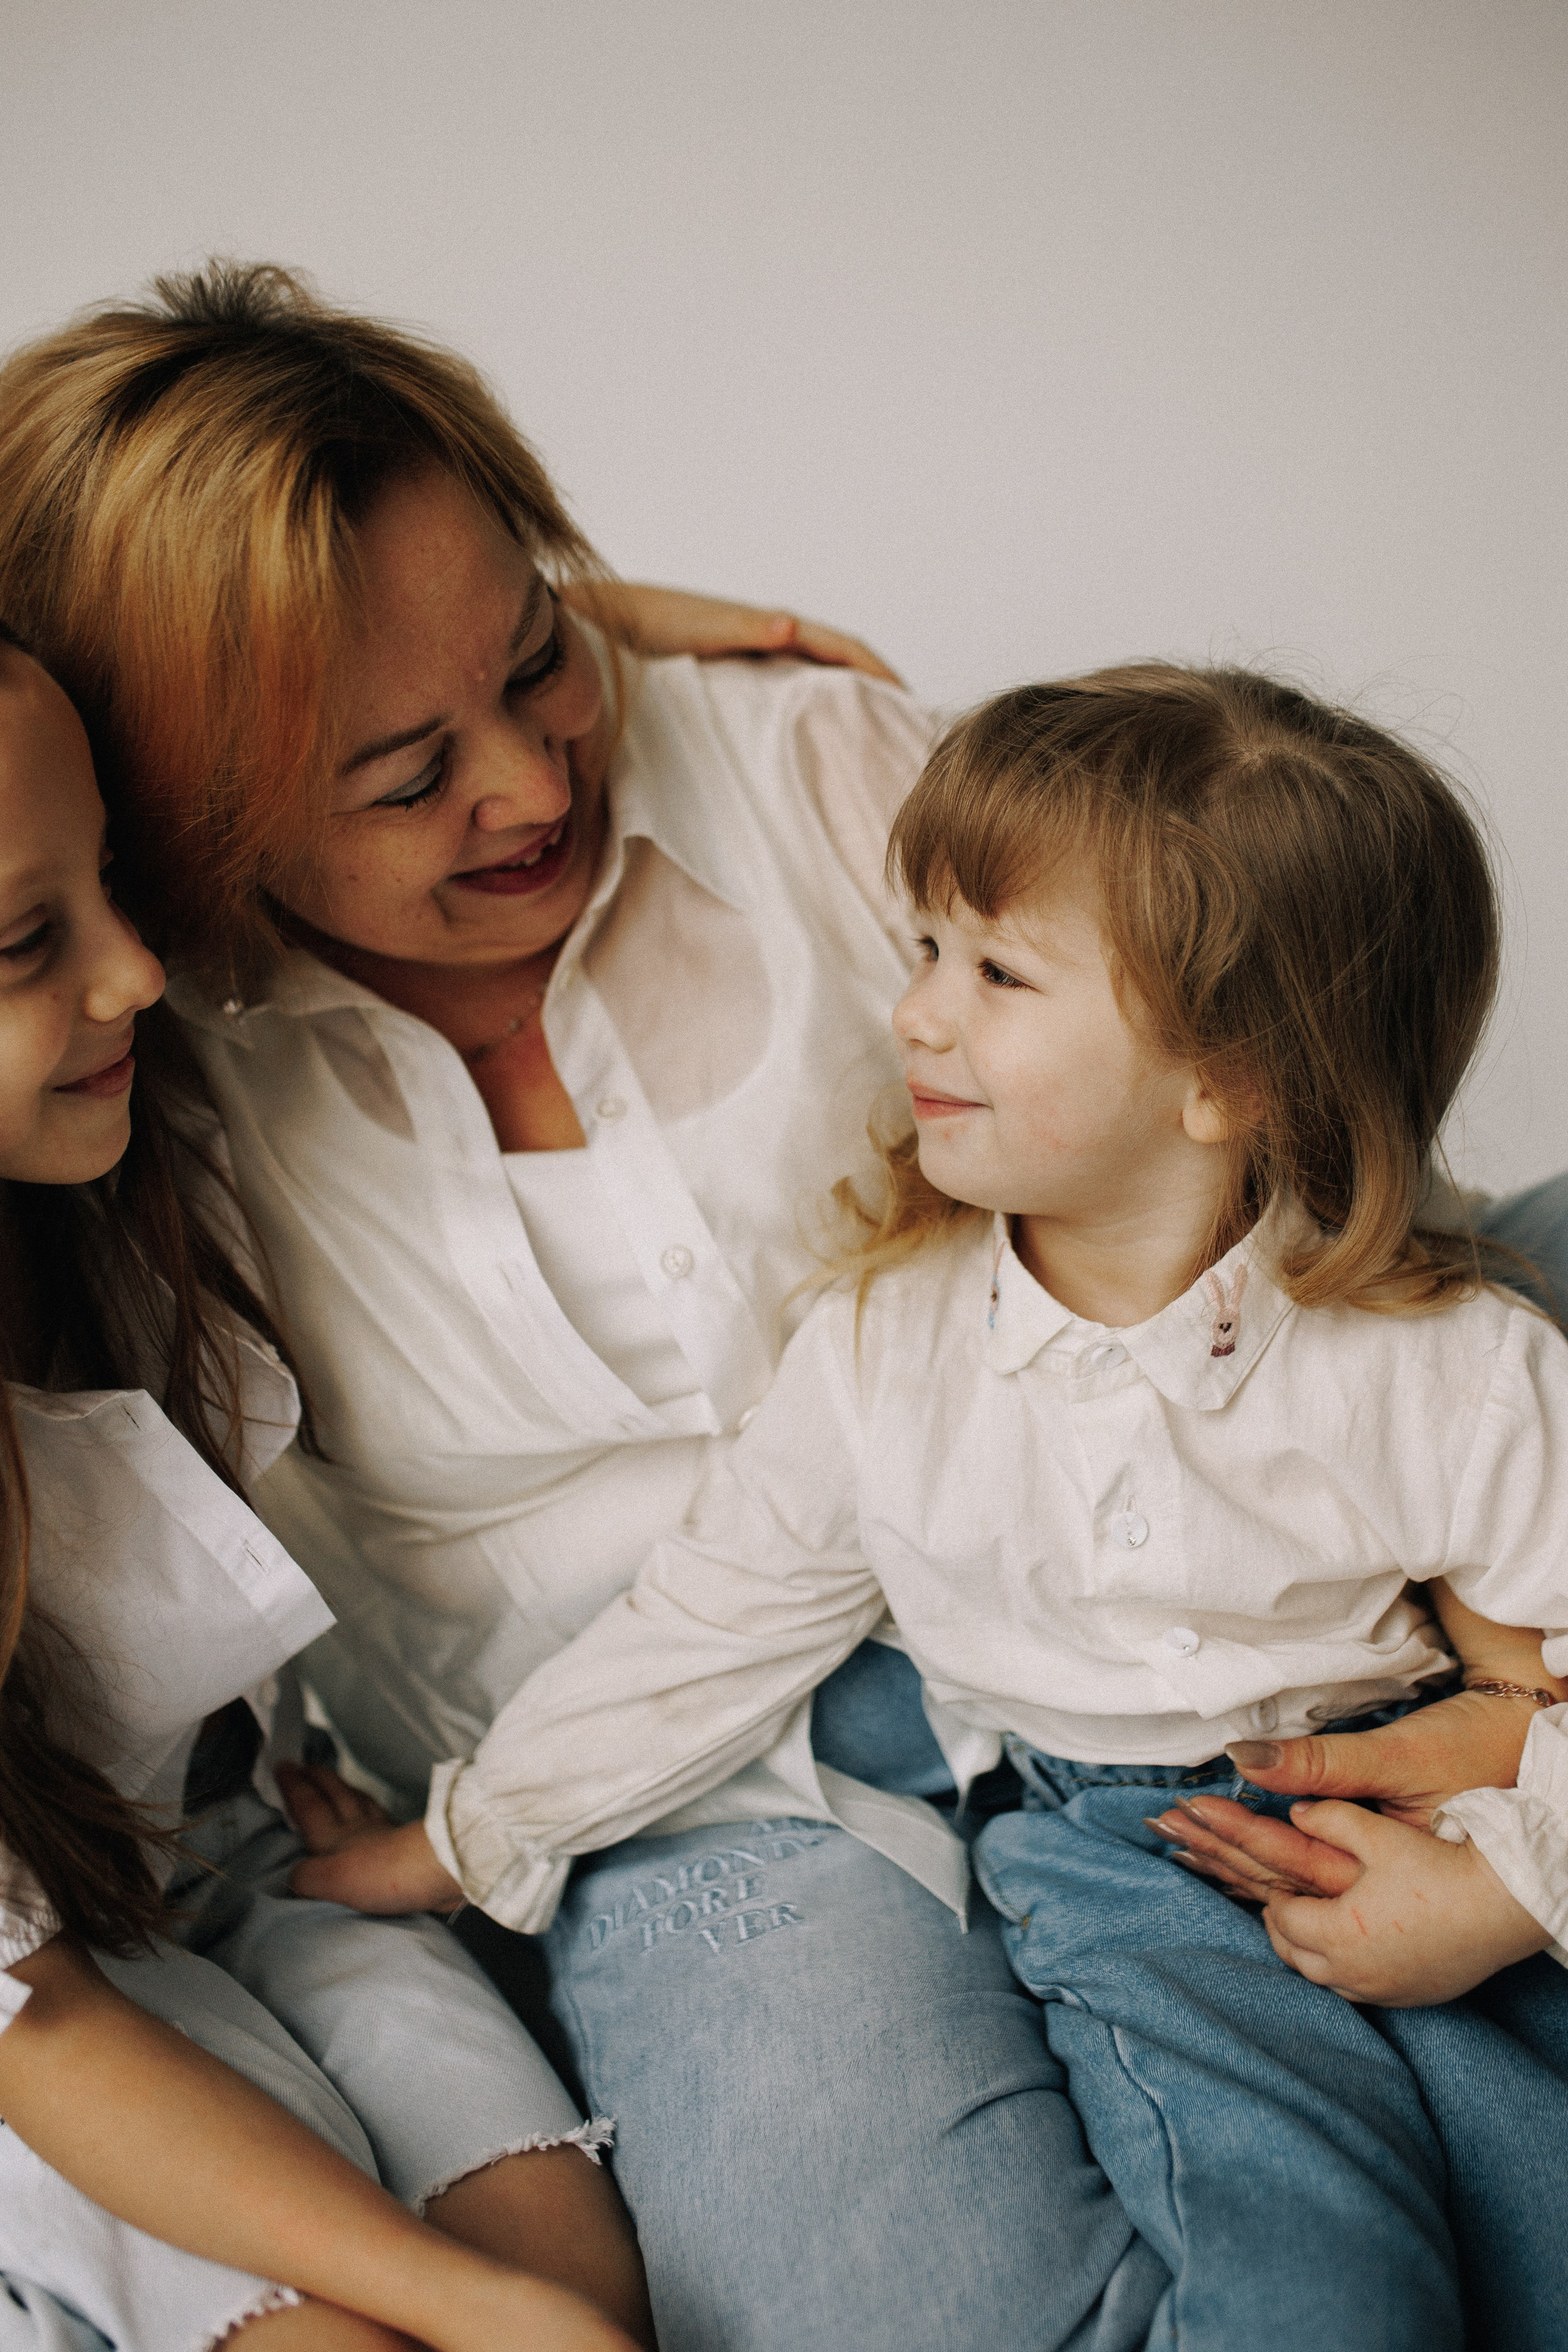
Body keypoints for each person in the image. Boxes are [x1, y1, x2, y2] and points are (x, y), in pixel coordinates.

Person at [0, 262, 1173, 2352]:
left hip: (1127, 1591)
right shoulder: (132, 1052)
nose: (533, 789)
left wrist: (589, 633)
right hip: (663, 1791)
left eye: (539, 661)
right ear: (180, 804)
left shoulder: (811, 765)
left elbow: (1218, 1105)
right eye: (398, 773)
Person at [347, 664, 1568, 2351]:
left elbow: (1545, 1684)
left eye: (995, 972)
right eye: (925, 948)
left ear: (1230, 1075)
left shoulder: (1452, 1365)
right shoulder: (880, 1354)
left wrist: (1509, 1883)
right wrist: (464, 1836)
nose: (915, 1012)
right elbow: (711, 1628)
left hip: (1426, 1807)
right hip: (1137, 1872)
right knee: (1327, 2279)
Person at [0, 628, 646, 2352]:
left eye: (115, 883)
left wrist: (599, 627)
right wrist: (453, 2304)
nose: (137, 972)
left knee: (572, 2282)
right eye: (19, 942)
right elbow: (37, 2027)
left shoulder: (105, 1146)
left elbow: (247, 676)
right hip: (27, 2028)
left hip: (219, 1864)